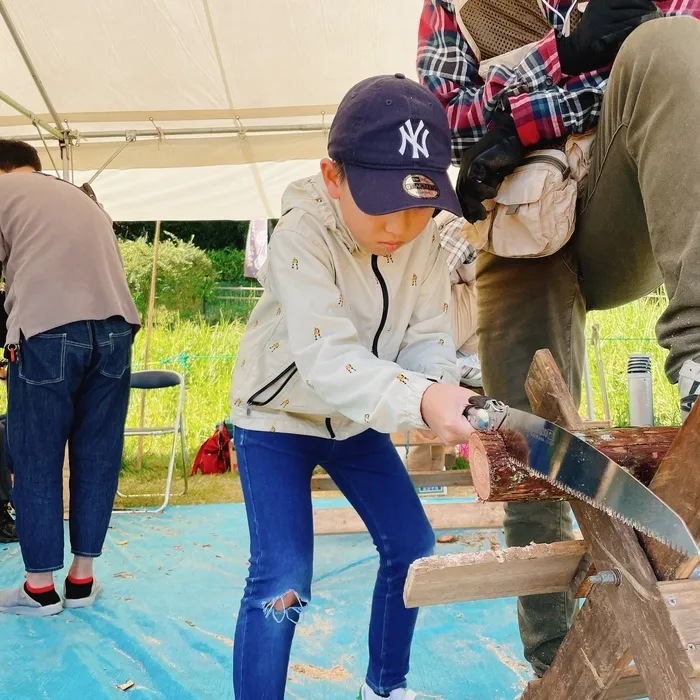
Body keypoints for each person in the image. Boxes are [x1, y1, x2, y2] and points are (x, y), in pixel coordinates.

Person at [417, 0, 700, 677]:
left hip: (619, 192)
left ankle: (698, 349)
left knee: (667, 44)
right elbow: (442, 128)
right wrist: (569, 59)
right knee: (524, 446)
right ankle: (558, 666)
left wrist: (514, 112)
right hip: (520, 215)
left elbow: (684, 68)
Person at [229, 74, 479, 700]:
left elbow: (426, 335)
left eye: (420, 205)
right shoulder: (301, 235)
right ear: (334, 176)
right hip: (275, 421)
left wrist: (442, 391)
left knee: (413, 546)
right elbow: (326, 357)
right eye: (382, 203)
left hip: (355, 422)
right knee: (283, 578)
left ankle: (384, 688)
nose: (401, 226)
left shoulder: (425, 243)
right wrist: (419, 398)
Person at [0, 139, 140, 616]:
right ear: (35, 168)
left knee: (36, 454)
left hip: (46, 331)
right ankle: (82, 580)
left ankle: (39, 588)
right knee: (97, 454)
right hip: (117, 329)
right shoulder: (80, 197)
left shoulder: (2, 192)